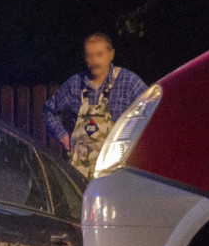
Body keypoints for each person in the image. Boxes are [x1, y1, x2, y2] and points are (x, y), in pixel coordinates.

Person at [42, 33, 147, 179]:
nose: (95, 61)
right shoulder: (75, 84)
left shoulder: (128, 82)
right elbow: (49, 110)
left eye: (99, 55)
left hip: (115, 175)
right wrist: (63, 135)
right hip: (79, 176)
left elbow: (151, 113)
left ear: (111, 54)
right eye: (89, 56)